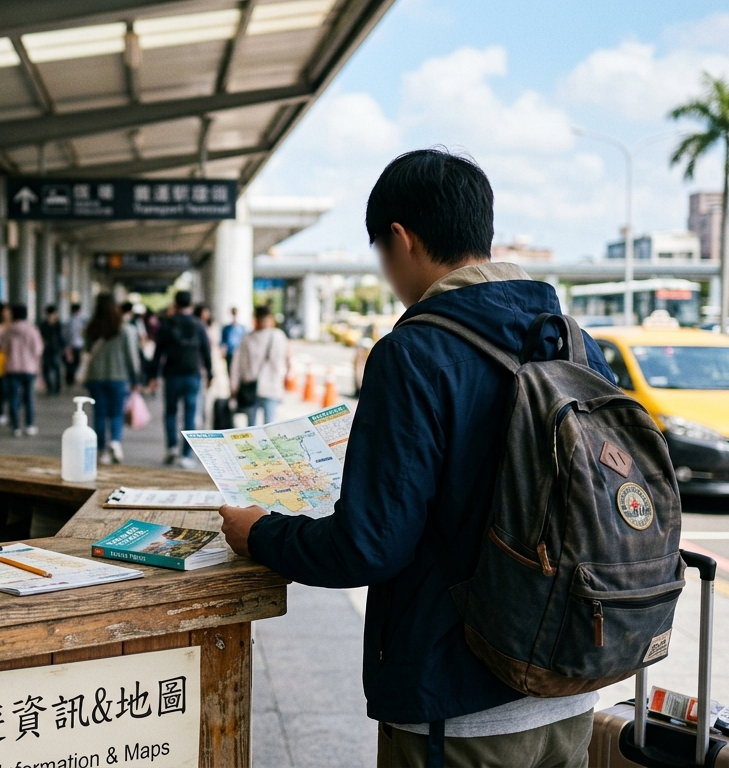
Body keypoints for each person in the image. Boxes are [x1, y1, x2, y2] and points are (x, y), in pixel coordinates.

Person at [217, 149, 616, 768]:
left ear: (402, 239)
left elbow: (370, 546)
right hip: (568, 690)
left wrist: (261, 534)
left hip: (455, 706)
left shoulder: (414, 351)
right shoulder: (572, 340)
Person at [153, 290, 213, 468]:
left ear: (175, 304)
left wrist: (152, 376)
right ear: (191, 304)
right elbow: (206, 351)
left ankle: (171, 447)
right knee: (190, 414)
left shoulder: (167, 324)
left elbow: (158, 352)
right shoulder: (198, 325)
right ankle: (186, 455)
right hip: (192, 375)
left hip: (172, 374)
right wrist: (210, 374)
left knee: (170, 412)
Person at [81, 292, 141, 464]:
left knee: (99, 414)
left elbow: (86, 352)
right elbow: (131, 356)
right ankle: (115, 442)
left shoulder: (91, 328)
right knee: (116, 413)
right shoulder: (124, 328)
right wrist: (135, 379)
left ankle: (101, 451)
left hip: (95, 377)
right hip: (118, 377)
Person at [230, 304, 289, 426]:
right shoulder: (278, 336)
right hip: (270, 387)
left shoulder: (247, 338)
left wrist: (234, 385)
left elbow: (237, 364)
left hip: (251, 387)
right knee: (269, 427)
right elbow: (285, 362)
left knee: (252, 429)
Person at [0, 304, 43, 436]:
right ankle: (29, 425)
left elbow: (3, 349)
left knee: (14, 397)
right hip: (29, 368)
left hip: (12, 367)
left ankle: (16, 427)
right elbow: (38, 349)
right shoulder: (32, 330)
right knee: (29, 397)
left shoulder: (8, 330)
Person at [38, 305, 67, 396]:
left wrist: (65, 348)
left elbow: (62, 338)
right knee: (46, 370)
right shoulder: (43, 325)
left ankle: (56, 388)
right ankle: (50, 388)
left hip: (56, 350)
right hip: (46, 350)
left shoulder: (58, 324)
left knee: (57, 369)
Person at [220, 306, 247, 373]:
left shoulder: (242, 328)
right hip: (230, 353)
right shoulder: (226, 328)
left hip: (239, 353)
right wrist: (223, 351)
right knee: (230, 371)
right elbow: (223, 341)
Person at [66, 301, 88, 382]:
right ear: (79, 310)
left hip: (70, 344)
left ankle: (70, 378)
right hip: (79, 344)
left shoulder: (69, 321)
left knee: (70, 362)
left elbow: (66, 334)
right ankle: (75, 376)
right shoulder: (82, 320)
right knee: (77, 362)